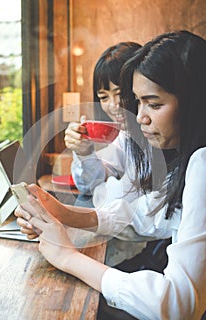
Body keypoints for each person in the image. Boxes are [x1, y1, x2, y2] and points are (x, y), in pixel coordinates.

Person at [15, 30, 206, 320]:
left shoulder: (201, 161)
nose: (139, 116)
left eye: (152, 103)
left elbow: (179, 310)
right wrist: (62, 211)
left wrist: (68, 257)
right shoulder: (180, 154)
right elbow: (149, 216)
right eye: (137, 101)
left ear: (194, 101)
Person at [65, 41, 150, 266]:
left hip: (148, 255)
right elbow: (91, 183)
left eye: (120, 93)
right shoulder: (128, 136)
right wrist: (84, 152)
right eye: (103, 97)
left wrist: (69, 214)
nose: (113, 106)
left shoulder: (160, 139)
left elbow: (132, 209)